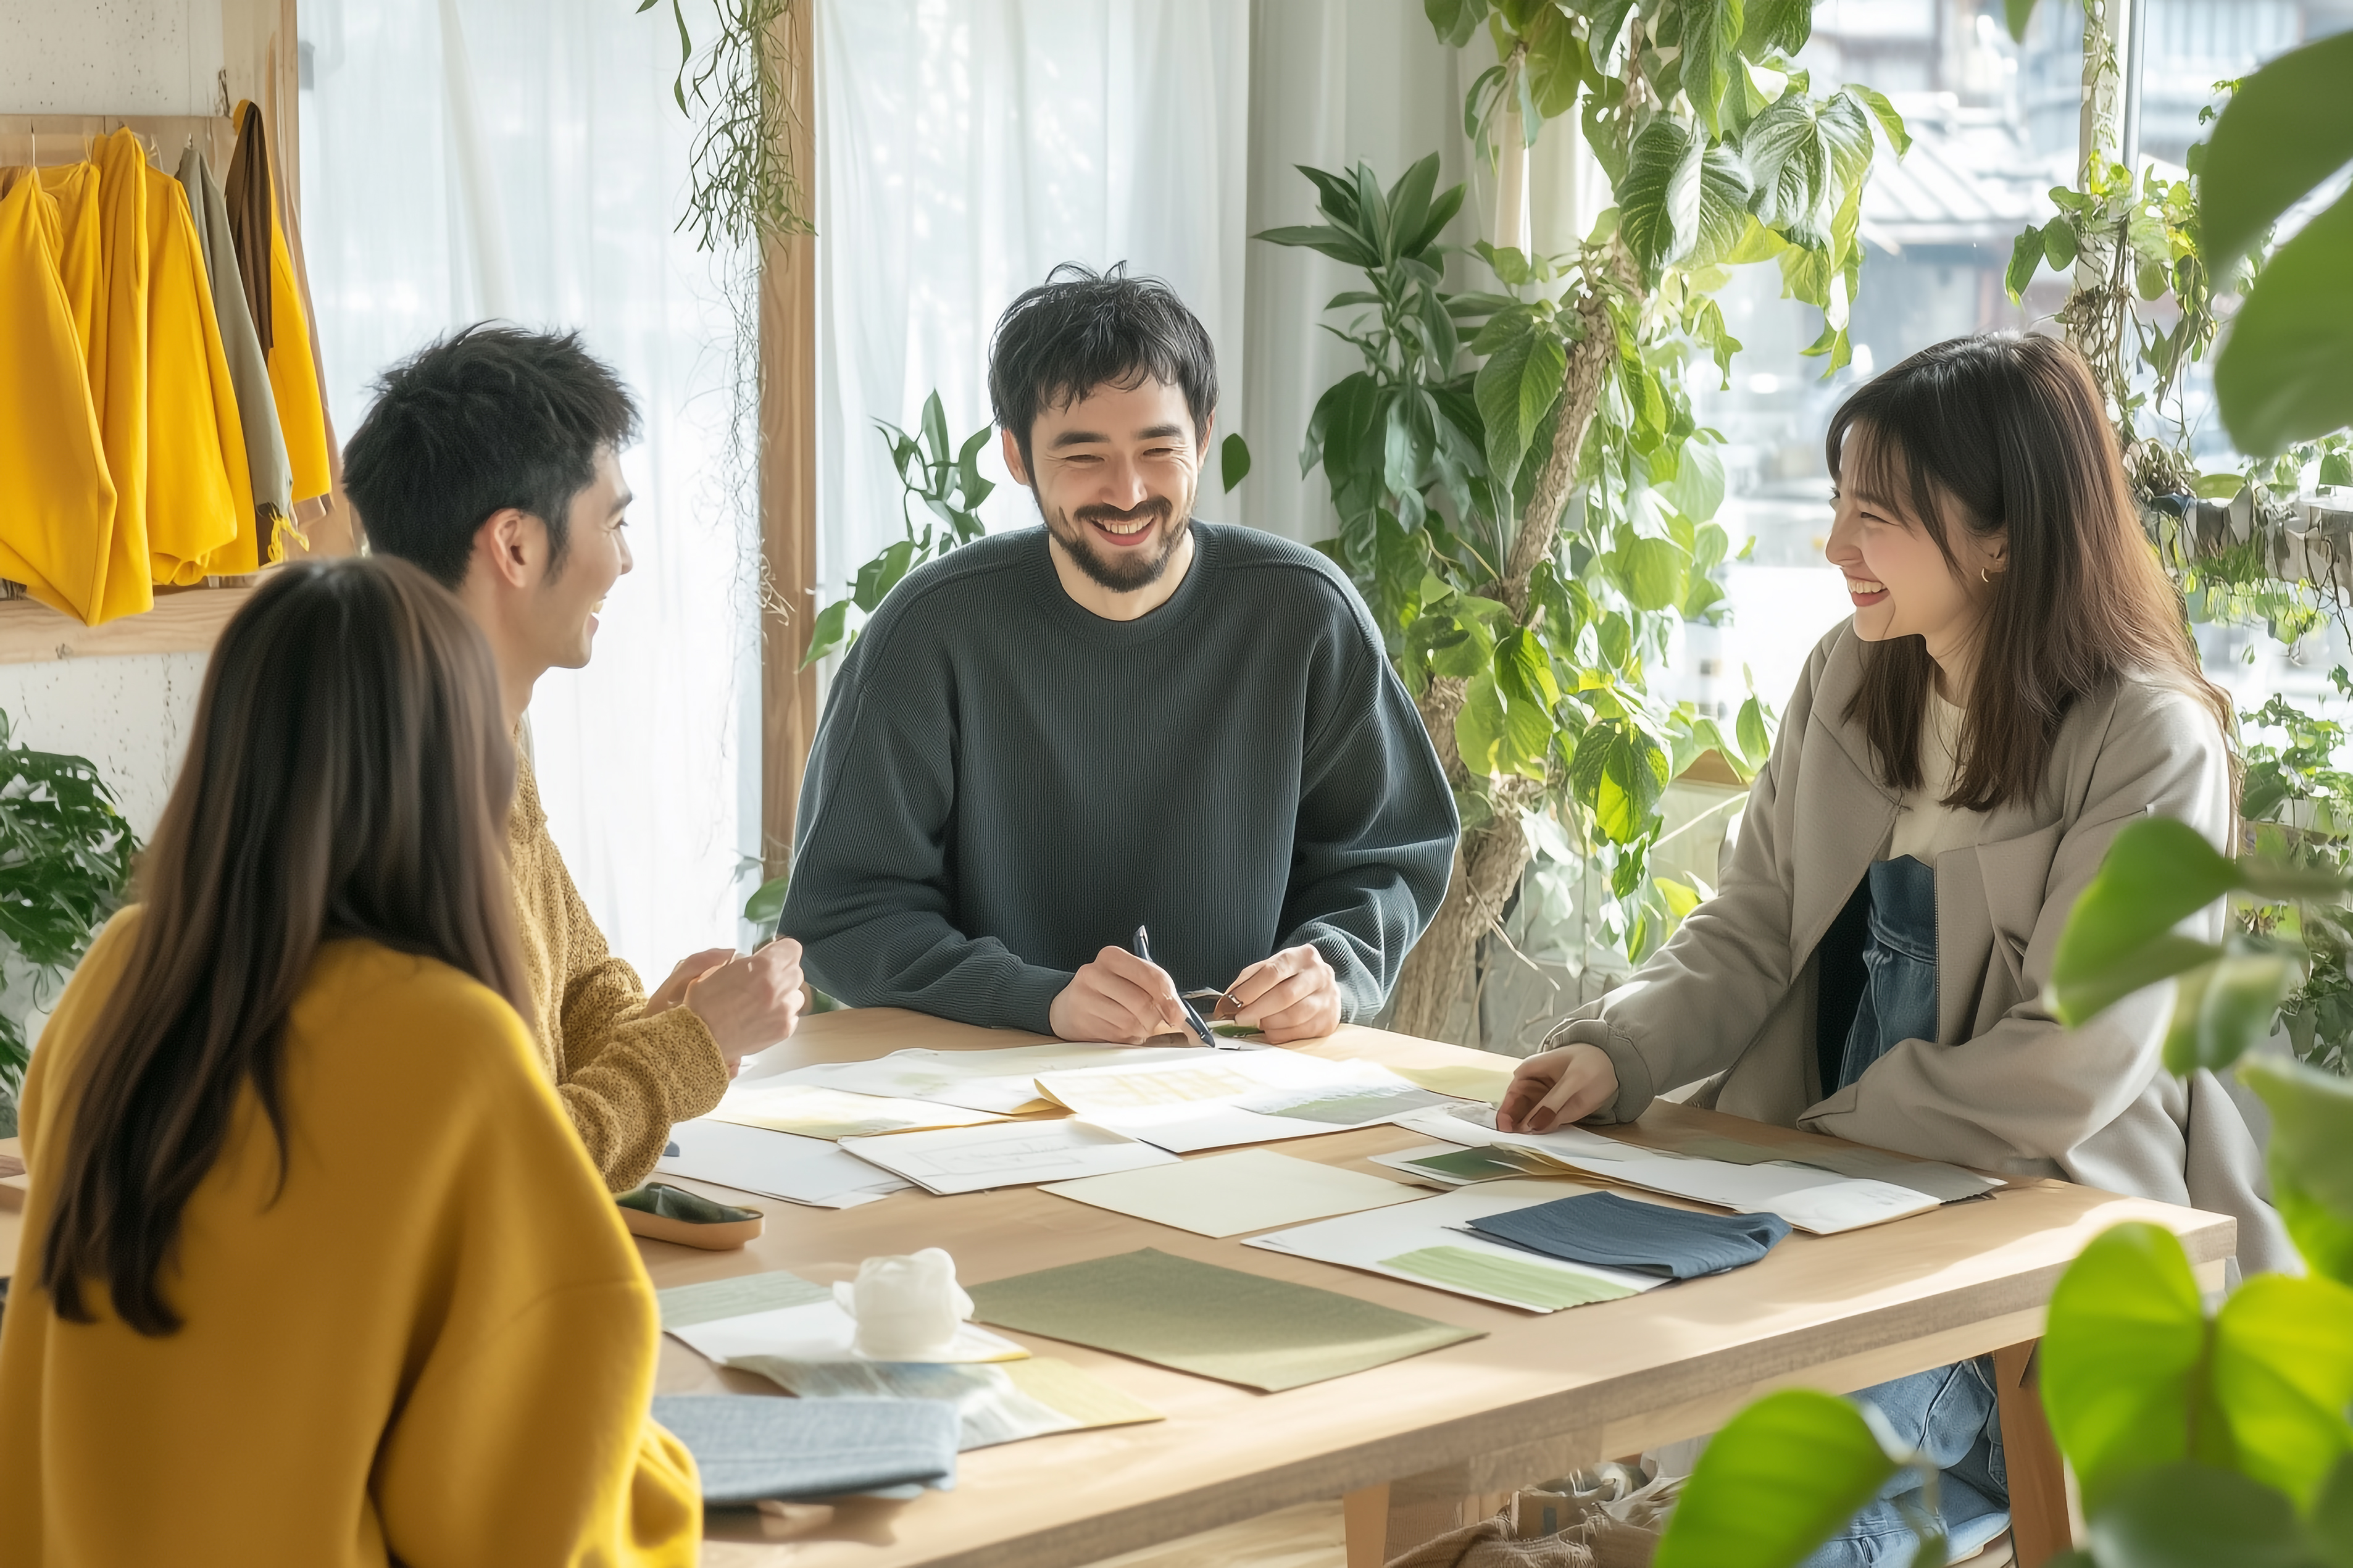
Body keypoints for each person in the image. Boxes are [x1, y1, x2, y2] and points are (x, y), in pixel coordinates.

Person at [1496, 333, 2290, 1565]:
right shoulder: (1850, 675)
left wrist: (1831, 1136)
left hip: (2026, 1227)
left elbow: (2081, 1058)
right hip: (1824, 1198)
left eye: (1874, 516)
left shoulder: (2147, 735)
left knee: (1805, 1474)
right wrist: (1620, 1052)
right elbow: (1752, 922)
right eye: (1835, 506)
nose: (1832, 547)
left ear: (2002, 537)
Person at [0, 558, 699, 1566]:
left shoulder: (117, 983)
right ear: (461, 776)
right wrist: (668, 1488)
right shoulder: (446, 1042)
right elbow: (532, 1520)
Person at [780, 264, 1458, 1044]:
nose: (1128, 491)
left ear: (1202, 436)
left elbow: (1391, 850)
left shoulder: (1306, 613)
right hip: (987, 1087)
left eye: (1158, 448)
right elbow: (843, 911)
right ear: (1016, 456)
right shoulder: (931, 632)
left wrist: (1331, 965)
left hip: (1245, 1083)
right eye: (1082, 456)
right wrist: (1038, 997)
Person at [342, 326, 803, 1191]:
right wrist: (690, 1044)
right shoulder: (395, 805)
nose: (624, 562)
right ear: (516, 546)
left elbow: (574, 978)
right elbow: (505, 1167)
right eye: (614, 522)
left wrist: (664, 1024)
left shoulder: (489, 728)